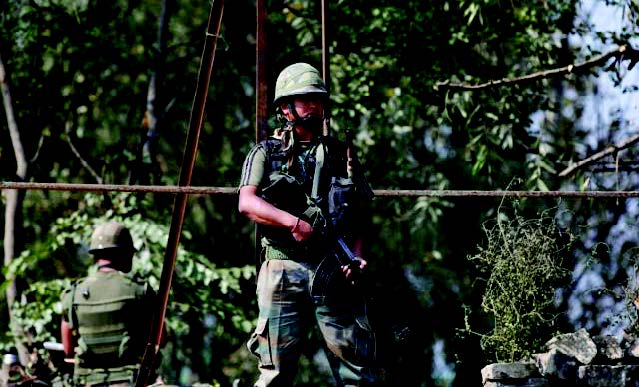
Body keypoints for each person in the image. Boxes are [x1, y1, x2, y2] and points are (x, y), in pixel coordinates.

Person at [238, 62, 381, 386]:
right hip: (283, 268)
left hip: (332, 269)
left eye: (318, 100)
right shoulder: (266, 153)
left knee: (357, 372)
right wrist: (293, 223)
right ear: (285, 108)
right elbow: (247, 202)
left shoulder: (339, 154)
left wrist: (356, 256)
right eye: (305, 100)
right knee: (274, 374)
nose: (314, 106)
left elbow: (360, 216)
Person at [60, 221, 162, 386]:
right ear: (123, 253)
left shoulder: (74, 294)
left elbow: (68, 350)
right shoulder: (139, 291)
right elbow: (160, 338)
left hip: (87, 382)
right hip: (131, 380)